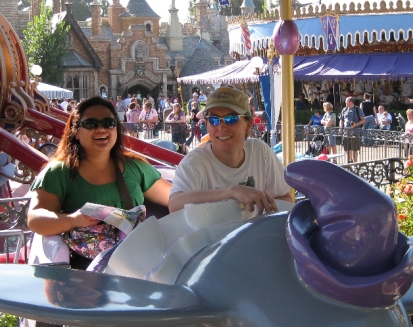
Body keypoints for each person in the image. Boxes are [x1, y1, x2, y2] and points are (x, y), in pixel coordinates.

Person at [27, 97, 171, 270]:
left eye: (109, 123)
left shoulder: (136, 167)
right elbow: (35, 219)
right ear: (76, 132)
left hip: (135, 264)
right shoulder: (59, 172)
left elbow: (174, 198)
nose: (101, 129)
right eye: (91, 124)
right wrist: (73, 220)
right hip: (84, 271)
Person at [168, 87, 293, 214]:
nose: (221, 127)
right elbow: (174, 204)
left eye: (231, 119)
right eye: (214, 120)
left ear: (248, 124)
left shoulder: (260, 152)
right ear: (206, 125)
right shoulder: (194, 163)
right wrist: (231, 192)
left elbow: (287, 199)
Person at [340, 96, 365, 164]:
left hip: (355, 132)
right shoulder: (344, 109)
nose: (345, 102)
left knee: (354, 149)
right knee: (346, 147)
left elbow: (363, 120)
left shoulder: (357, 109)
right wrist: (341, 128)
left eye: (346, 101)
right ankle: (349, 161)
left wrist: (356, 124)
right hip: (346, 132)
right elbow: (341, 120)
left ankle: (355, 163)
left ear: (351, 102)